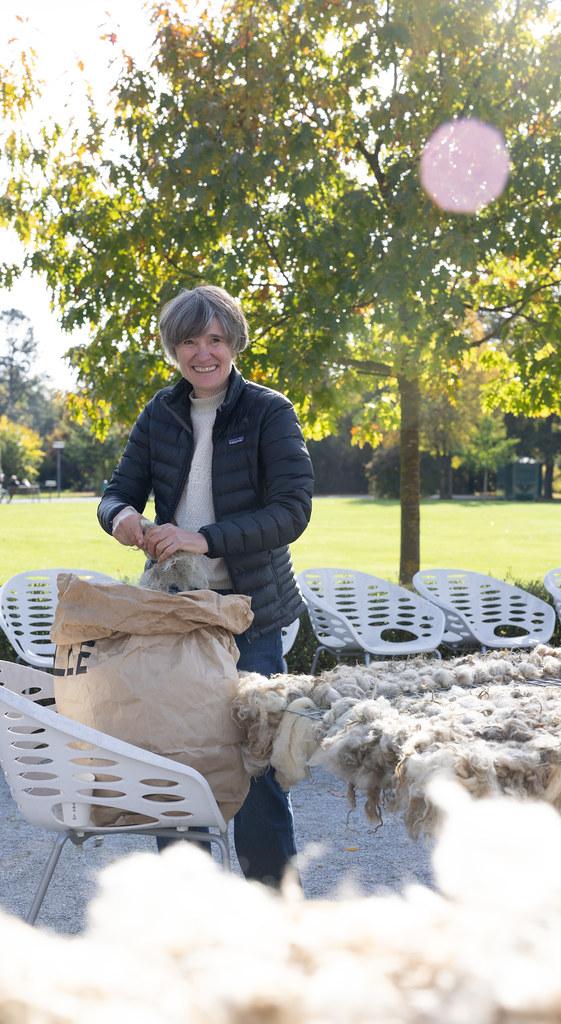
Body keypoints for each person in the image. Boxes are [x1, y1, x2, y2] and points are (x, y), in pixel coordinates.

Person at [98, 284, 314, 887]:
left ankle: (275, 905)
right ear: (174, 349)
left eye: (215, 339)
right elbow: (116, 492)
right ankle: (188, 905)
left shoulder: (269, 411)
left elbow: (293, 511)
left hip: (251, 618)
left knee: (257, 766)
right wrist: (123, 517)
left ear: (234, 343)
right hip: (178, 616)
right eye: (189, 341)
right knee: (177, 761)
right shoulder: (159, 413)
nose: (202, 353)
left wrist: (203, 538)